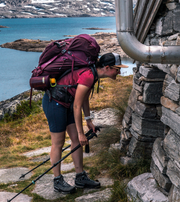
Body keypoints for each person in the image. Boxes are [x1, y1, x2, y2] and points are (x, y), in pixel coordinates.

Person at [42, 52, 128, 193]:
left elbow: (84, 99)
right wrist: (82, 133)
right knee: (58, 142)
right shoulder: (89, 75)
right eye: (117, 69)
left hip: (67, 104)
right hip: (55, 103)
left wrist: (88, 121)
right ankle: (57, 181)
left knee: (76, 140)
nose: (119, 72)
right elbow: (77, 106)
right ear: (107, 68)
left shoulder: (93, 74)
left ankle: (80, 177)